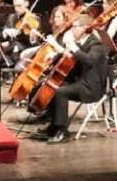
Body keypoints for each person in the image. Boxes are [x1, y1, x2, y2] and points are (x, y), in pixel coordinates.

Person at [35, 14, 107, 144]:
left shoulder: (96, 44)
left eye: (75, 27)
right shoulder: (80, 42)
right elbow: (71, 59)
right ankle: (53, 126)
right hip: (80, 81)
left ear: (85, 28)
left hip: (90, 87)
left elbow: (89, 61)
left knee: (60, 92)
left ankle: (62, 131)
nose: (72, 29)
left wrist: (73, 47)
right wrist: (55, 56)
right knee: (52, 85)